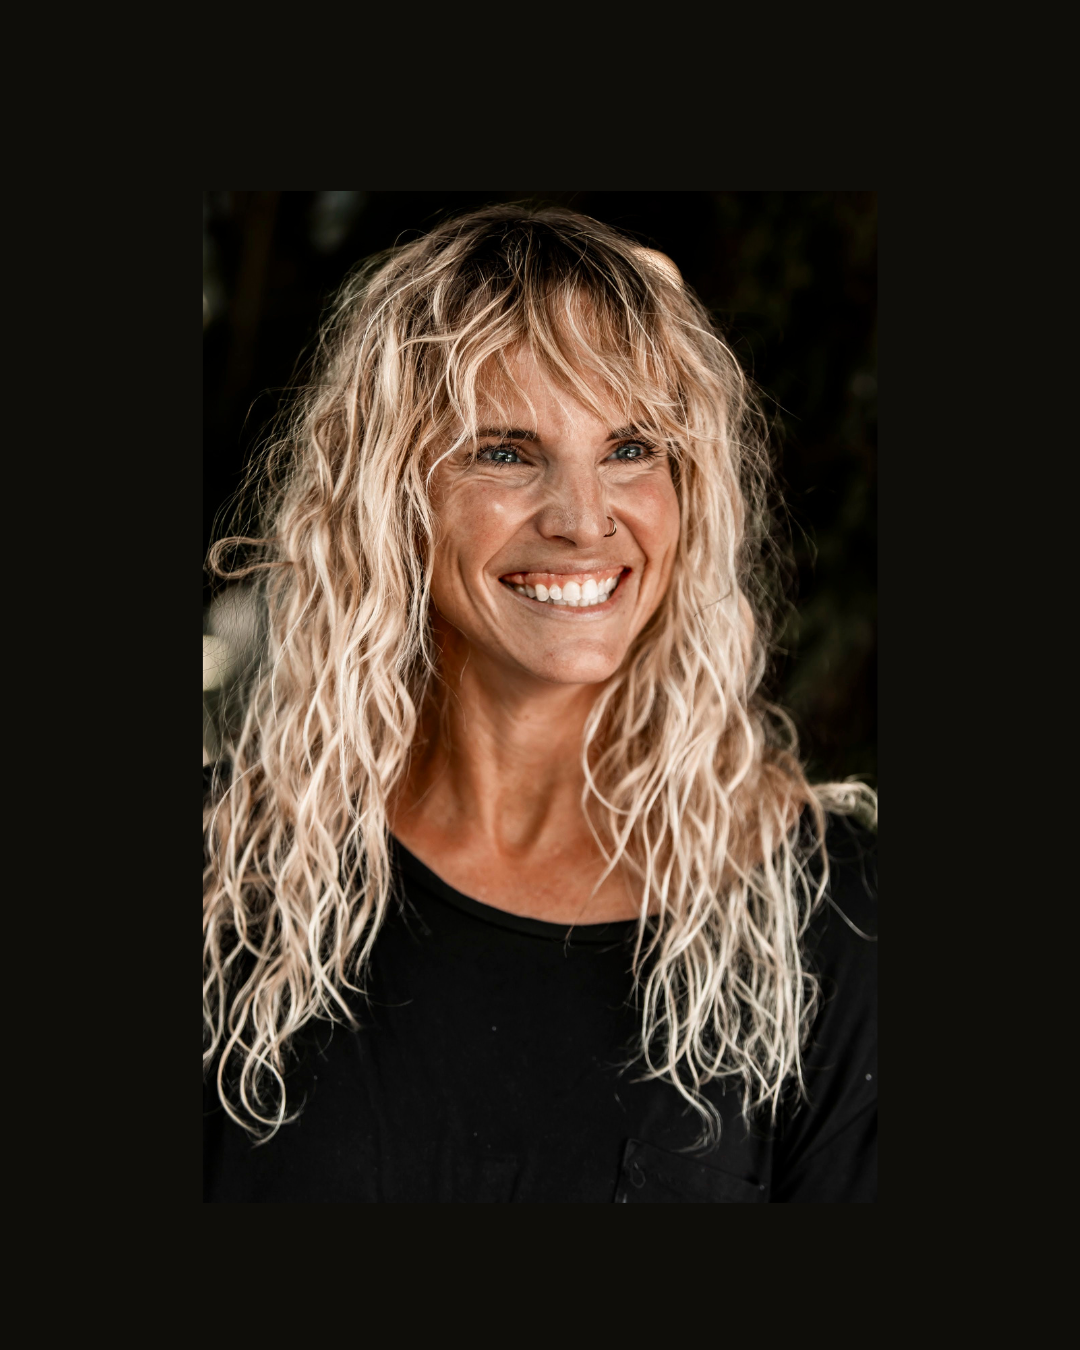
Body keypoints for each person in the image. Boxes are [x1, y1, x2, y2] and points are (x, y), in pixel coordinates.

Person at [202, 204, 877, 1203]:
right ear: (391, 496)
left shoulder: (824, 915)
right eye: (505, 452)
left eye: (633, 448)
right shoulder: (224, 871)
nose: (583, 518)